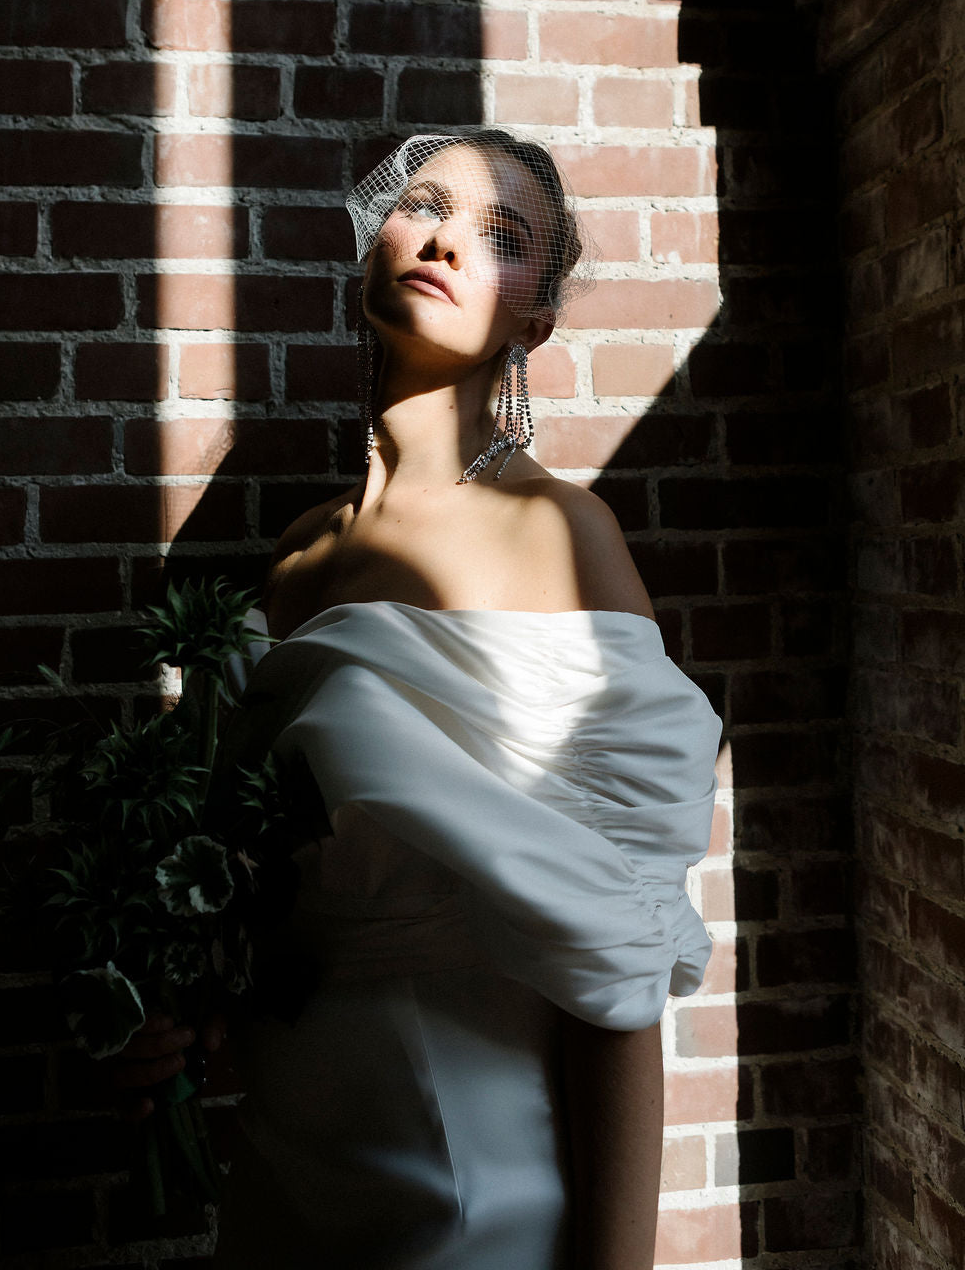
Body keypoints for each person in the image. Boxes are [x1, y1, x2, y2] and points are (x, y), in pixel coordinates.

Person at [115, 130, 721, 1269]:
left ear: (531, 321)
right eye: (425, 205)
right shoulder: (293, 561)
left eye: (501, 237)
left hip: (462, 1178)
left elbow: (618, 958)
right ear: (369, 248)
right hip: (287, 1162)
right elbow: (260, 888)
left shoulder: (556, 535)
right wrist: (188, 1023)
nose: (443, 236)